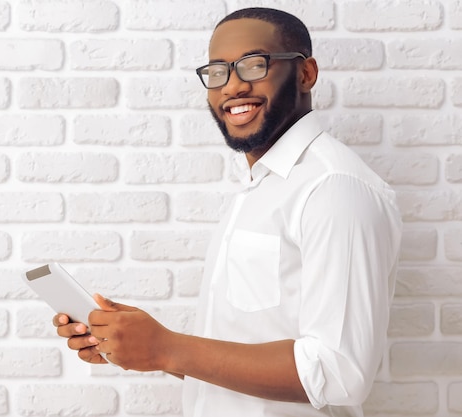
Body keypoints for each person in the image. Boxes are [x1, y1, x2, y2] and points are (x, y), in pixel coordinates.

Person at [53, 7, 402, 417]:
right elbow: (241, 353)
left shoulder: (335, 188)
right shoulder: (257, 188)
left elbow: (340, 373)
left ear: (306, 74)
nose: (233, 86)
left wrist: (168, 348)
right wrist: (144, 347)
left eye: (254, 65)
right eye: (218, 71)